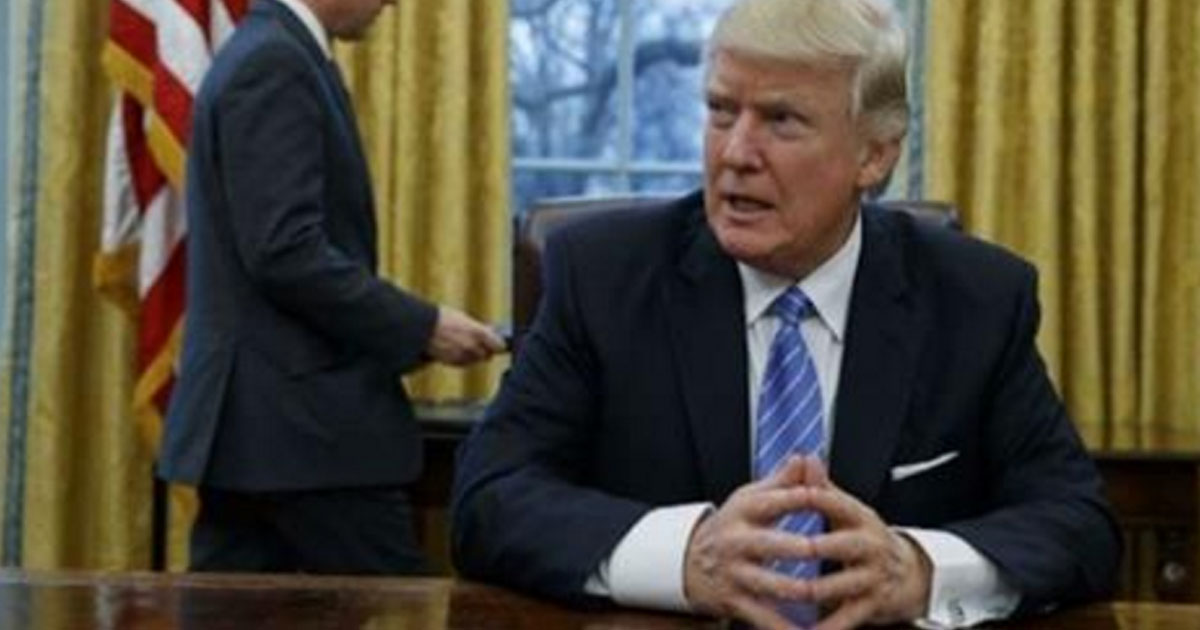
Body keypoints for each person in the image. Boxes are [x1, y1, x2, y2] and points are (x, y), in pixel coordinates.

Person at [450, 0, 1120, 628]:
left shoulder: (976, 299)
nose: (735, 153)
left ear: (874, 154)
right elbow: (490, 498)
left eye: (781, 120)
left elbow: (1080, 525)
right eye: (721, 111)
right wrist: (683, 557)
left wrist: (919, 569)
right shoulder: (604, 277)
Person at [159, 0, 505, 575]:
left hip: (263, 432)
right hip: (301, 433)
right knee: (400, 609)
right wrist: (424, 327)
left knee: (232, 608)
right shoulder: (274, 62)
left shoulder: (275, 52)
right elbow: (284, 252)